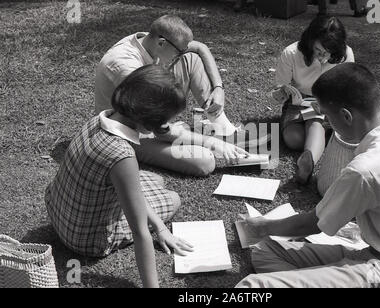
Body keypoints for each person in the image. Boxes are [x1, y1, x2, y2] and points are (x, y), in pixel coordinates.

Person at [236, 63, 380, 288]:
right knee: (265, 251)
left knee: (253, 287)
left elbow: (312, 223)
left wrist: (261, 227)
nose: (326, 123)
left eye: (327, 115)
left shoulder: (367, 168)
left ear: (346, 116)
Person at [45, 65, 239, 288]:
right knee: (172, 198)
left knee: (155, 180)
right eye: (166, 120)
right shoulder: (122, 156)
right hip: (87, 239)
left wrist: (159, 226)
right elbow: (140, 233)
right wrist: (160, 230)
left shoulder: (99, 119)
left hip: (59, 211)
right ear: (149, 121)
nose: (168, 126)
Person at [95, 15, 252, 177]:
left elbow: (200, 48)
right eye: (179, 51)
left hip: (149, 115)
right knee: (205, 160)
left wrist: (219, 88)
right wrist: (211, 143)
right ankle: (206, 138)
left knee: (192, 58)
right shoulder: (126, 66)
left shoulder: (151, 39)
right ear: (162, 43)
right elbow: (160, 130)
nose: (181, 55)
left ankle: (222, 126)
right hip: (130, 132)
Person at [274, 16, 354, 184]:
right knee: (293, 139)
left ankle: (308, 162)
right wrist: (280, 94)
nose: (323, 56)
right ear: (310, 40)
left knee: (315, 121)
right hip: (298, 102)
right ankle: (323, 139)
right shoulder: (292, 53)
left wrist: (326, 104)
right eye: (319, 50)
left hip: (330, 102)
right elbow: (281, 87)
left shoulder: (345, 54)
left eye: (328, 52)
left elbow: (347, 90)